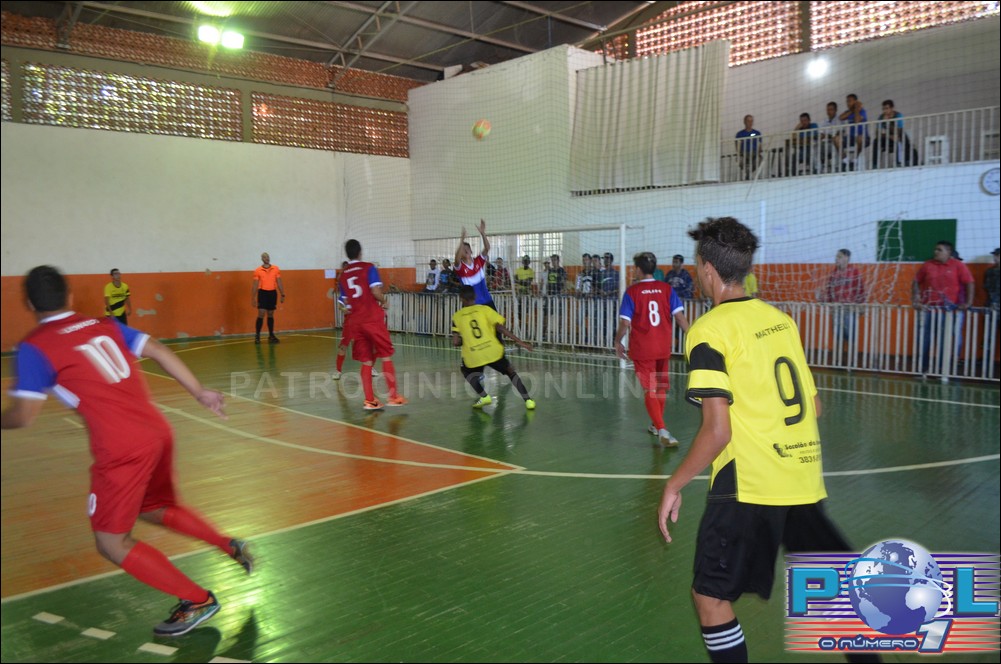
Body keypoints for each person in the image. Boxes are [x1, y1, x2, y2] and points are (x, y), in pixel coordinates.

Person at [2, 266, 253, 638]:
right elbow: (158, 349)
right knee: (153, 508)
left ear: (28, 303)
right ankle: (227, 544)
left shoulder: (35, 347)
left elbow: (23, 416)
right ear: (70, 296)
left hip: (121, 447)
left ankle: (197, 600)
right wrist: (199, 392)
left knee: (111, 541)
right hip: (157, 432)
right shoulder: (104, 325)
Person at [657, 217, 859, 664]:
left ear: (707, 269)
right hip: (802, 479)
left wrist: (674, 484)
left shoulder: (708, 330)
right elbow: (815, 406)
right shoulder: (780, 320)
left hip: (748, 485)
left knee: (710, 598)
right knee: (837, 597)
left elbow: (718, 430)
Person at [614, 252, 691, 448]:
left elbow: (625, 322)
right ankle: (656, 425)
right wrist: (694, 338)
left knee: (650, 388)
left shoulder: (632, 292)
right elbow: (680, 318)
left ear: (638, 269)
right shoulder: (666, 289)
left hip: (643, 349)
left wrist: (618, 341)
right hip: (663, 347)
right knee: (661, 386)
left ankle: (662, 429)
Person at [339, 240, 407, 410]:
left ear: (347, 254)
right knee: (386, 355)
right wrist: (384, 301)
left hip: (356, 321)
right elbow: (375, 291)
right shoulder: (369, 267)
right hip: (372, 319)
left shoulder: (343, 274)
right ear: (360, 252)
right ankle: (393, 397)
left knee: (367, 361)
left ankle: (370, 400)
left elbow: (345, 303)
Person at [451, 285, 535, 410]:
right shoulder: (485, 309)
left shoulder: (457, 316)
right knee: (510, 372)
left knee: (466, 371)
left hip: (474, 355)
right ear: (475, 296)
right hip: (492, 351)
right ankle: (528, 400)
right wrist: (521, 342)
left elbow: (455, 342)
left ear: (461, 298)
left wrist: (466, 340)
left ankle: (484, 396)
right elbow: (500, 328)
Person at [912, 240, 974, 373]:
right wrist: (916, 298)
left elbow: (969, 282)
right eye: (935, 249)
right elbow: (916, 281)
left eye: (939, 250)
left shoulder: (958, 265)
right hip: (929, 309)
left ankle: (941, 367)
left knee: (944, 339)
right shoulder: (928, 265)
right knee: (925, 338)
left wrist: (968, 303)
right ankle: (922, 367)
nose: (936, 252)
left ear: (948, 252)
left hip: (949, 310)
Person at [822, 249, 866, 351]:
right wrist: (824, 300)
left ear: (847, 258)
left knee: (850, 334)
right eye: (836, 256)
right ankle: (838, 357)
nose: (836, 259)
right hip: (837, 309)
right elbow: (829, 292)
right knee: (837, 334)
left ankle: (852, 357)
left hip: (850, 308)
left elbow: (860, 289)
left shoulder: (854, 272)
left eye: (839, 256)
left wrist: (862, 304)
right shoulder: (833, 274)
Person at [454, 219, 494, 307]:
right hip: (471, 304)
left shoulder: (478, 261)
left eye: (467, 248)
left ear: (471, 251)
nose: (465, 250)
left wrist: (483, 233)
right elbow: (456, 258)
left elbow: (487, 248)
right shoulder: (460, 267)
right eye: (463, 249)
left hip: (486, 300)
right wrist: (462, 240)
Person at [872, 99, 918, 169]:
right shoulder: (881, 117)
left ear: (892, 108)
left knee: (902, 136)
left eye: (887, 108)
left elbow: (898, 131)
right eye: (883, 109)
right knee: (875, 141)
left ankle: (903, 162)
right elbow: (878, 134)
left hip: (898, 137)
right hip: (888, 138)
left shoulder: (898, 115)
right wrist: (889, 136)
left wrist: (887, 123)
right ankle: (875, 165)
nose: (885, 111)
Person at [252, 252, 285, 344]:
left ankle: (271, 335)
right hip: (262, 293)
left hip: (272, 293)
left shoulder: (275, 268)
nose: (266, 258)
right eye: (264, 257)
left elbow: (279, 282)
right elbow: (255, 285)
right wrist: (253, 298)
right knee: (261, 313)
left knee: (270, 314)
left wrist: (282, 294)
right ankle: (257, 336)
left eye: (267, 257)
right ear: (262, 259)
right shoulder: (258, 270)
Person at [836, 93, 868, 170]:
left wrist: (856, 108)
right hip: (851, 137)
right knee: (836, 139)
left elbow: (857, 120)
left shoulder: (862, 111)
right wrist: (851, 111)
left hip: (864, 137)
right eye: (847, 101)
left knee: (859, 138)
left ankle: (855, 160)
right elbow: (841, 117)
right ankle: (845, 160)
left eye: (850, 101)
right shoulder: (848, 112)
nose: (848, 103)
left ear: (855, 101)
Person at [735, 115, 762, 179]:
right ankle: (747, 172)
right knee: (738, 159)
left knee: (759, 159)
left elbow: (760, 144)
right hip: (743, 154)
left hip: (754, 154)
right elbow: (737, 145)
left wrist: (758, 152)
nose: (750, 123)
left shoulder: (757, 133)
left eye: (751, 121)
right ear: (744, 122)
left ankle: (748, 172)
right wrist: (739, 153)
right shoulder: (739, 134)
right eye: (748, 121)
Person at [819, 101, 840, 172]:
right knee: (816, 147)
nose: (829, 111)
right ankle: (819, 167)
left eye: (831, 109)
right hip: (825, 144)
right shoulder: (824, 122)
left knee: (835, 145)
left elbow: (838, 133)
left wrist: (828, 136)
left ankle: (836, 167)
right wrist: (822, 136)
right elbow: (821, 135)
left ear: (835, 110)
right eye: (828, 110)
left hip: (835, 143)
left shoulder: (839, 120)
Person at [986, 248, 1000, 312]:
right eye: (995, 255)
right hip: (991, 303)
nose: (995, 257)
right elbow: (987, 287)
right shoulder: (990, 271)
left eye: (997, 255)